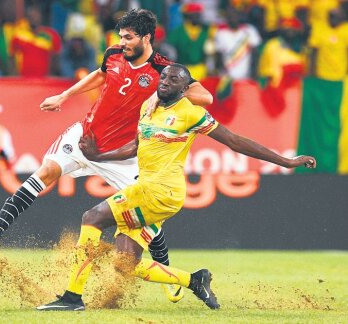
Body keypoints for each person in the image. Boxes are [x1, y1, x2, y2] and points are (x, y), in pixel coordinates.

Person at [0, 9, 213, 302]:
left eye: (129, 37)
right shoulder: (112, 54)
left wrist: (165, 93)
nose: (122, 42)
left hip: (123, 155)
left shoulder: (164, 69)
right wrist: (64, 96)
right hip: (87, 137)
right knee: (44, 173)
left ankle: (169, 274)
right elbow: (99, 76)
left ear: (147, 38)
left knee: (144, 218)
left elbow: (206, 97)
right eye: (121, 36)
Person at [36, 63, 317, 311]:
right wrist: (99, 156)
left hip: (161, 192)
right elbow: (135, 146)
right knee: (125, 265)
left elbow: (234, 140)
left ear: (185, 90)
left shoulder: (191, 114)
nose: (165, 82)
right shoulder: (148, 109)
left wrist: (286, 161)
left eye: (173, 80)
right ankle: (194, 281)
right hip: (147, 190)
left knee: (91, 218)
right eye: (164, 78)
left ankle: (72, 298)